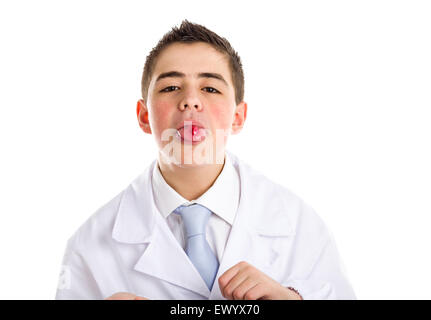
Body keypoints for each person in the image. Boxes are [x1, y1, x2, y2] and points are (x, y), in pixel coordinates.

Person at [55, 20, 356, 300]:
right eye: (170, 87)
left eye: (210, 88)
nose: (190, 100)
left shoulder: (299, 225)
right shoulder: (89, 246)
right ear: (144, 116)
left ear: (238, 117)